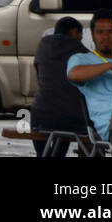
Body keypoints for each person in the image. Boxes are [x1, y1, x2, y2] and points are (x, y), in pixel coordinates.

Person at [30, 16, 89, 156]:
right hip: (72, 119)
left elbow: (40, 76)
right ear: (74, 32)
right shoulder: (80, 50)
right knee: (69, 113)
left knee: (44, 114)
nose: (80, 38)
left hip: (39, 117)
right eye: (80, 35)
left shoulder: (42, 46)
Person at [66, 10, 112, 142]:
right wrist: (109, 66)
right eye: (100, 32)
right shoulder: (81, 59)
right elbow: (74, 74)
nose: (106, 37)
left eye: (111, 32)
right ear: (92, 35)